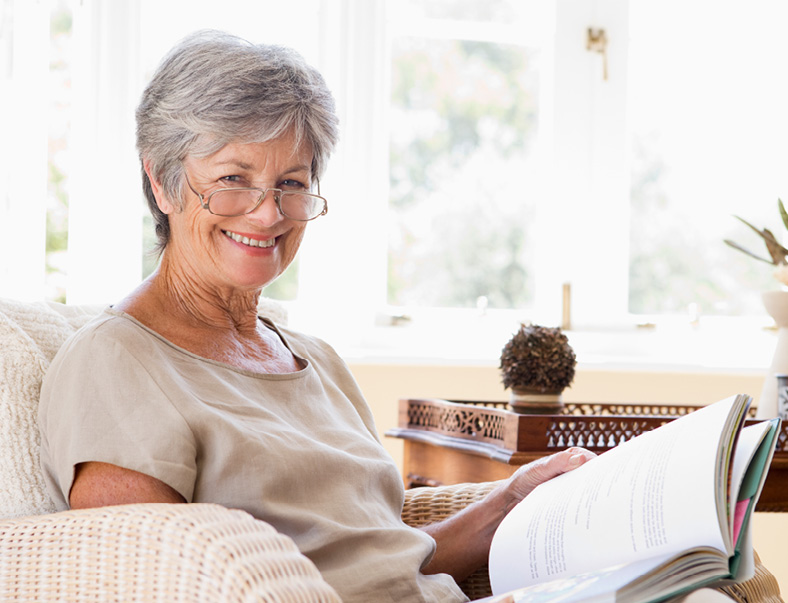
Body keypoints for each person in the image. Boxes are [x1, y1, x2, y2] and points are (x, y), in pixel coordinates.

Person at [37, 30, 598, 602]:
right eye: (234, 179)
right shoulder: (114, 361)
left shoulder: (319, 361)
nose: (267, 213)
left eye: (292, 184)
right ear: (163, 181)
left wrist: (508, 502)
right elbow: (151, 579)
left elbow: (381, 559)